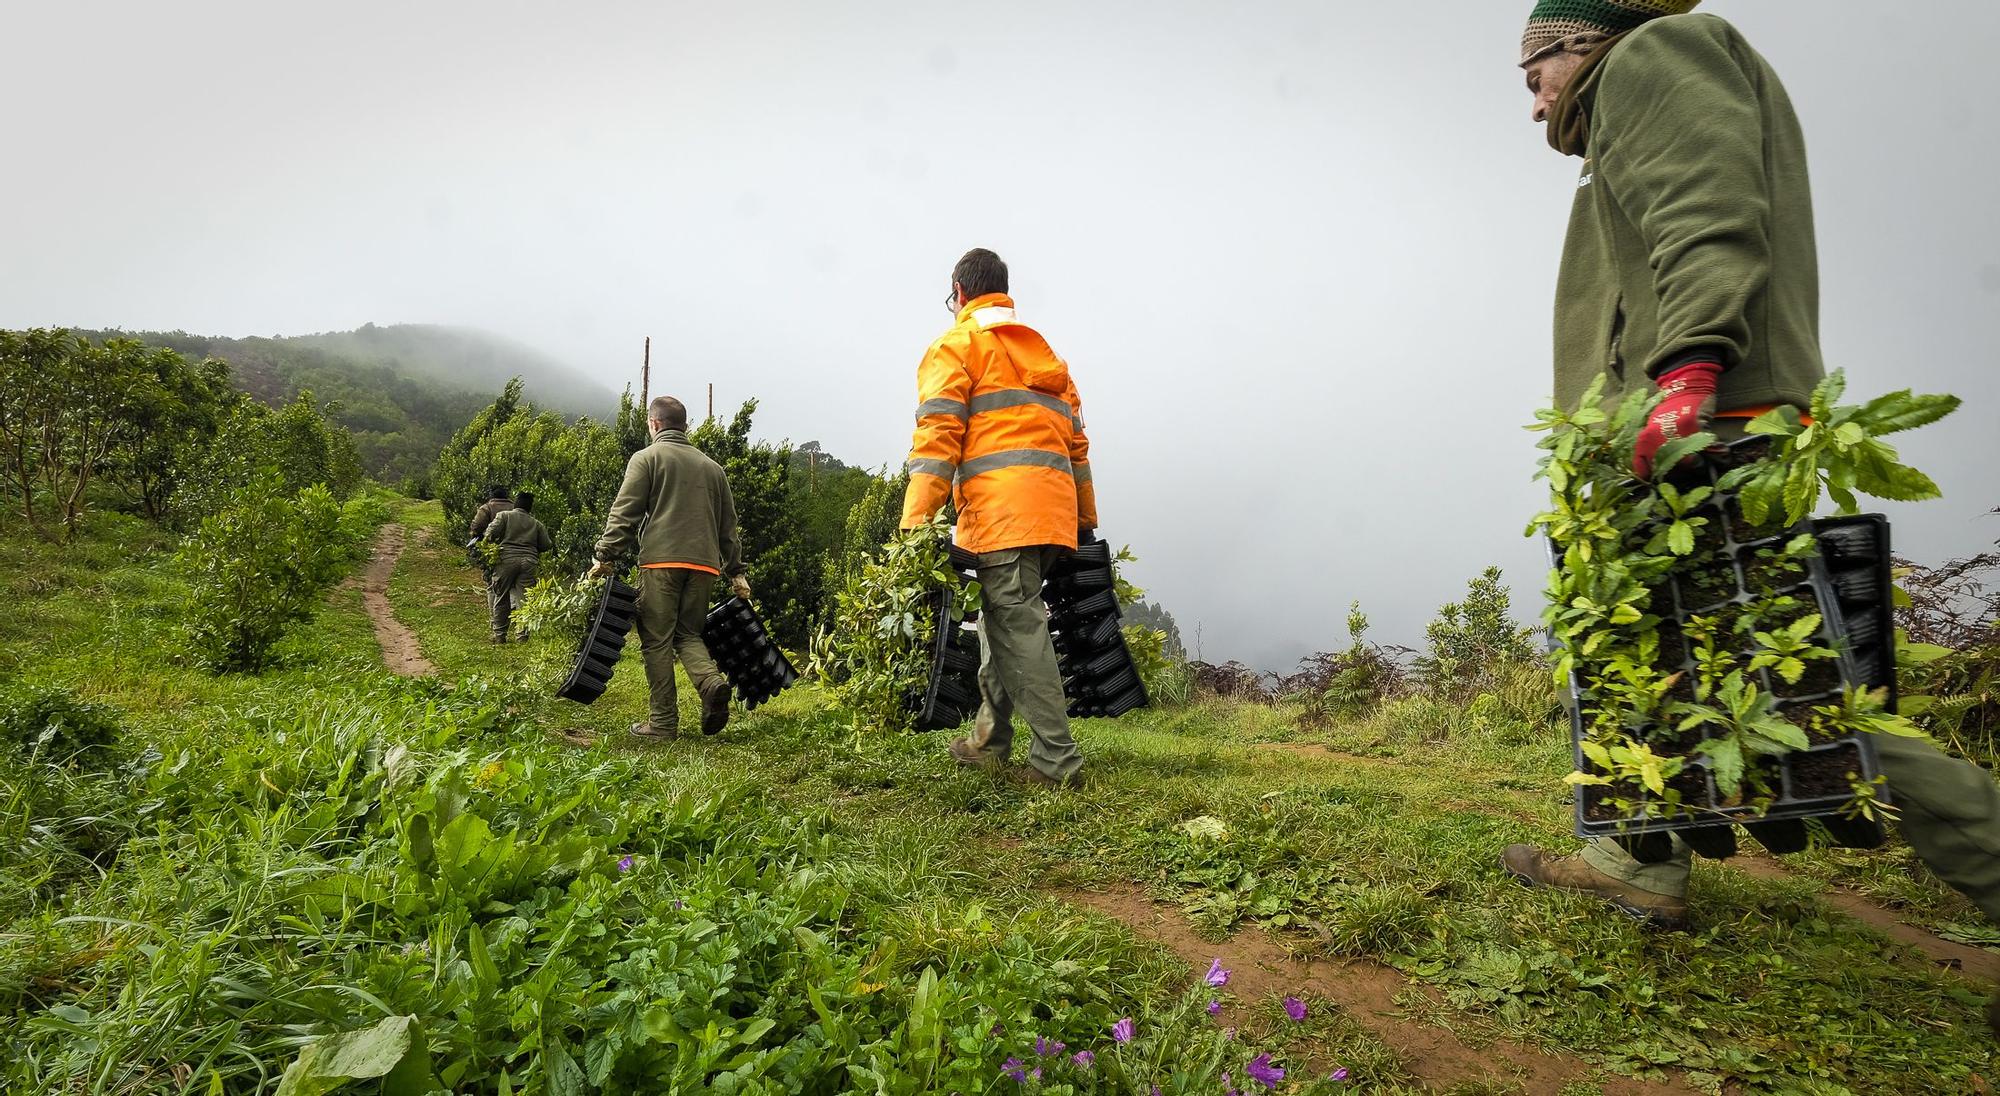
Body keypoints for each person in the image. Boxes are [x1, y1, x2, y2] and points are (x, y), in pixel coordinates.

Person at [1499, 1, 2000, 951]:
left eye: (1536, 78)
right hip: (1670, 430)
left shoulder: (1654, 56)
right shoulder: (1627, 102)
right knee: (1658, 664)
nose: (1535, 107)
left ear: (1582, 43)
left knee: (1793, 691)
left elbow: (1707, 204)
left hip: (1702, 428)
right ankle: (1635, 865)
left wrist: (1687, 367)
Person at [902, 248, 1095, 789]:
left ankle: (1057, 761)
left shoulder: (956, 346)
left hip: (1003, 514)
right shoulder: (1046, 356)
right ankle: (990, 740)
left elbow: (938, 438)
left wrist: (916, 520)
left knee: (1018, 627)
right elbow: (1078, 447)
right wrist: (1084, 520)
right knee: (1000, 623)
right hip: (1052, 514)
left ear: (959, 293)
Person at [589, 396, 751, 739]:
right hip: (705, 566)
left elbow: (626, 512)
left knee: (657, 639)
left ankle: (662, 723)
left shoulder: (647, 458)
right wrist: (736, 570)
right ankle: (710, 683)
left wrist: (606, 555)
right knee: (688, 634)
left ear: (653, 424)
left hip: (662, 561)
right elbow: (728, 527)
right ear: (685, 426)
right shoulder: (713, 468)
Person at [481, 490, 553, 643]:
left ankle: (500, 635)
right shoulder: (536, 523)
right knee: (524, 601)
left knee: (501, 596)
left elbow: (490, 533)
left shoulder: (504, 516)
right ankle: (522, 637)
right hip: (529, 563)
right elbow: (547, 545)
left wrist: (491, 545)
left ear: (515, 504)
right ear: (530, 507)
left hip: (505, 561)